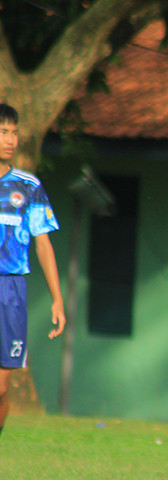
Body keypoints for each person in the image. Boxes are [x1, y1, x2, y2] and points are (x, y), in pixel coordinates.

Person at [0, 103, 65, 440]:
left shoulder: (28, 187)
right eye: (3, 132)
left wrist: (57, 298)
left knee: (0, 388)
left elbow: (43, 244)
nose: (10, 139)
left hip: (10, 290)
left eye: (14, 132)